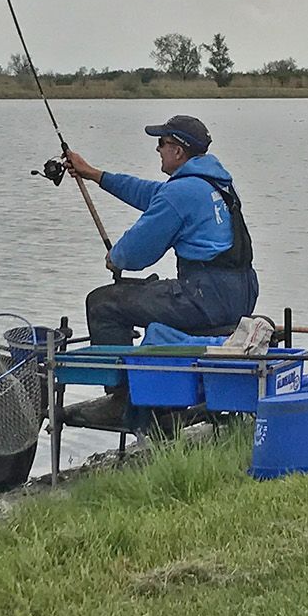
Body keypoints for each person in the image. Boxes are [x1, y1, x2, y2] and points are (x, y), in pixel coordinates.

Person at [59, 114, 258, 428]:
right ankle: (156, 388)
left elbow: (135, 254)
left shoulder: (180, 193)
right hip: (241, 294)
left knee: (104, 303)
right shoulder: (213, 182)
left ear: (178, 151)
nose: (157, 149)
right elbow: (148, 194)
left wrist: (117, 258)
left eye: (162, 143)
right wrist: (94, 174)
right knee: (144, 296)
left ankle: (121, 398)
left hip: (204, 298)